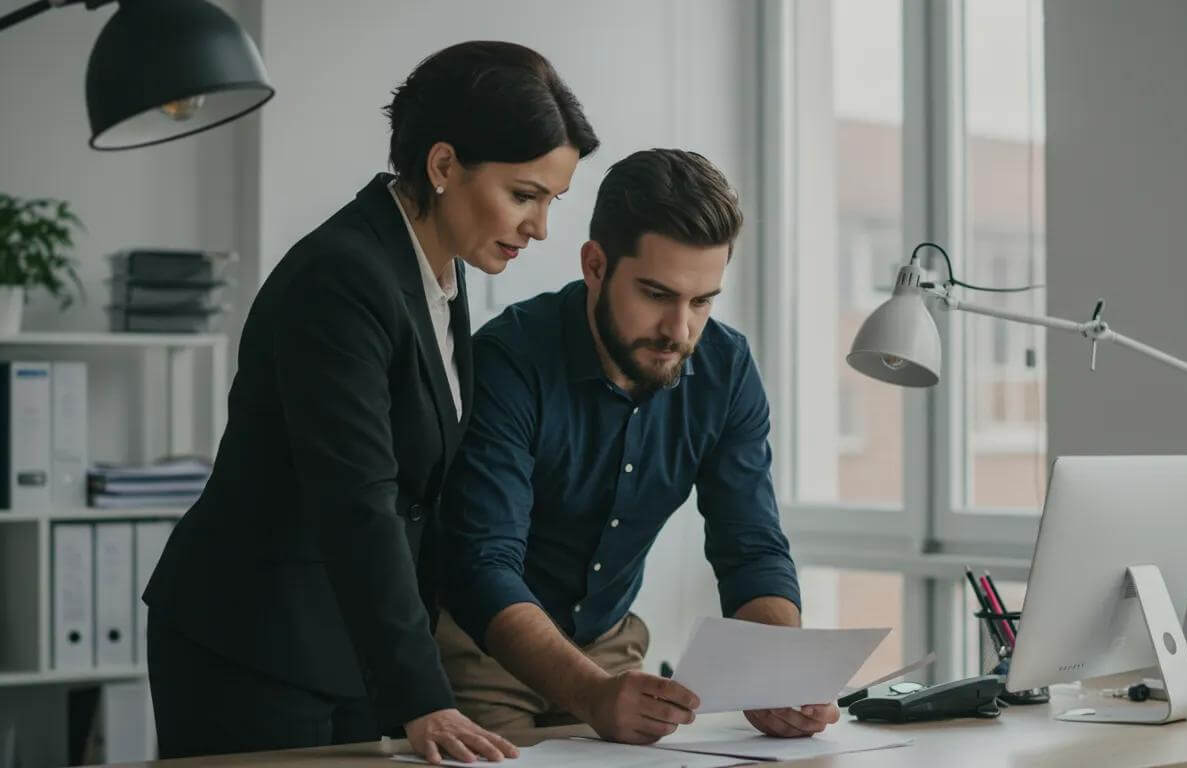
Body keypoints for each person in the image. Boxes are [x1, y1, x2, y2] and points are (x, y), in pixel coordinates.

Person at [141, 41, 597, 763]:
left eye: (551, 201)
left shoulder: (437, 271)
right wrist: (423, 694)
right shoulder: (343, 277)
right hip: (254, 644)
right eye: (525, 195)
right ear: (443, 166)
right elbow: (359, 498)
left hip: (345, 643)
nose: (540, 227)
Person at [437, 148, 841, 743]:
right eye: (657, 294)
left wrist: (777, 673)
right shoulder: (508, 360)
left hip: (610, 647)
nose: (680, 331)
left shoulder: (725, 369)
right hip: (481, 652)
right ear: (595, 265)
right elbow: (484, 564)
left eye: (702, 301)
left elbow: (750, 546)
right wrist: (591, 694)